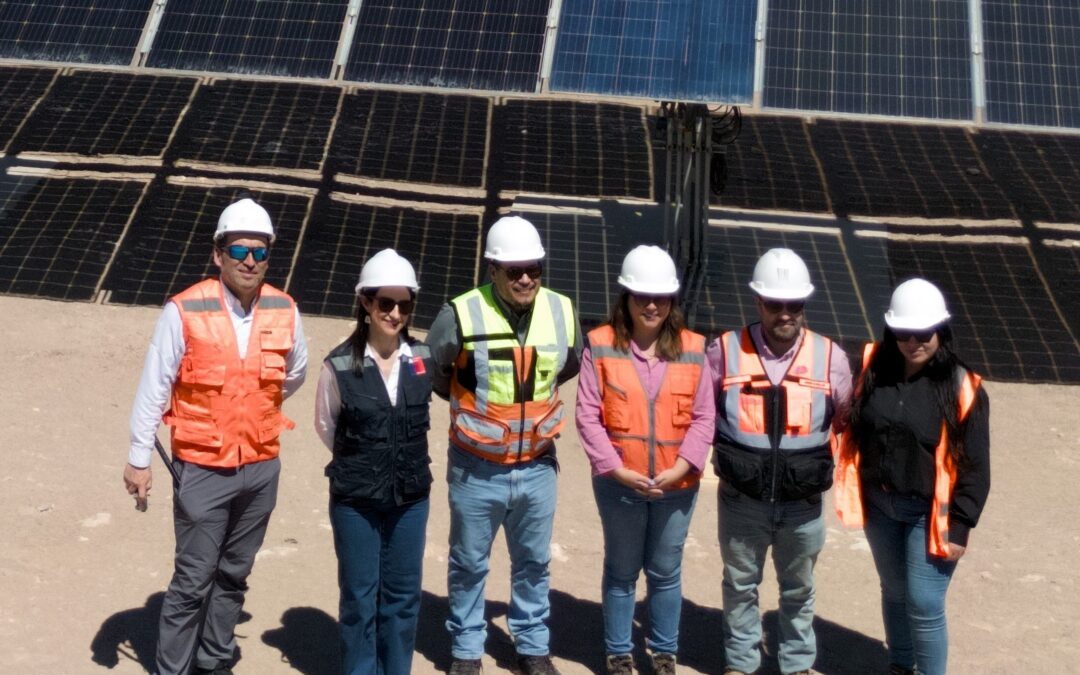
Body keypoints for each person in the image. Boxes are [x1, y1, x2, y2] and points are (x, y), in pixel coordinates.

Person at [123, 197, 308, 675]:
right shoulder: (184, 310)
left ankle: (214, 661)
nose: (250, 261)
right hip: (203, 468)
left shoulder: (285, 309)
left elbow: (296, 372)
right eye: (240, 250)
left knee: (233, 575)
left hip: (261, 467)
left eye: (260, 252)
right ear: (218, 253)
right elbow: (154, 386)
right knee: (192, 580)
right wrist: (139, 458)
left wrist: (252, 407)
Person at [428, 215, 583, 675]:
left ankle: (533, 646)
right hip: (477, 468)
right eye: (513, 270)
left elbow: (567, 366)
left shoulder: (562, 310)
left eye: (533, 268)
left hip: (537, 467)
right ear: (491, 269)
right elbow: (439, 372)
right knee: (469, 564)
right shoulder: (458, 314)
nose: (525, 278)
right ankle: (467, 650)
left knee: (534, 563)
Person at [707, 247, 852, 675]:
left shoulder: (832, 358)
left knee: (799, 590)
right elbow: (704, 413)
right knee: (739, 586)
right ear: (758, 303)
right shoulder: (725, 351)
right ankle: (740, 663)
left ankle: (796, 664)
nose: (784, 313)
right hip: (742, 501)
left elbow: (842, 416)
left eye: (794, 304)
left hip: (801, 505)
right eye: (775, 304)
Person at [834, 278, 990, 675]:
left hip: (929, 514)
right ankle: (901, 664)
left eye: (924, 332)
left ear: (941, 330)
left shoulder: (962, 387)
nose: (913, 341)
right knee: (895, 591)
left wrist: (961, 525)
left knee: (924, 601)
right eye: (904, 332)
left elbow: (975, 465)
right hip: (879, 505)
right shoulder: (872, 367)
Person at [575, 246, 715, 675]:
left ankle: (663, 652)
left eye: (661, 297)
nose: (651, 305)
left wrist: (682, 466)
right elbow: (587, 414)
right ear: (626, 299)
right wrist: (616, 469)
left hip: (677, 486)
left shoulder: (694, 349)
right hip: (620, 483)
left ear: (673, 301)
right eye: (642, 296)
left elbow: (705, 415)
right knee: (621, 571)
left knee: (665, 571)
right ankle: (619, 652)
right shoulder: (599, 346)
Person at [313, 249, 434, 675]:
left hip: (411, 498)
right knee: (360, 599)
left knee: (403, 598)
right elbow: (326, 426)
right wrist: (367, 462)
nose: (396, 313)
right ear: (366, 303)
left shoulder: (424, 358)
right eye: (386, 303)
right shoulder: (339, 364)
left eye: (404, 304)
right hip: (356, 500)